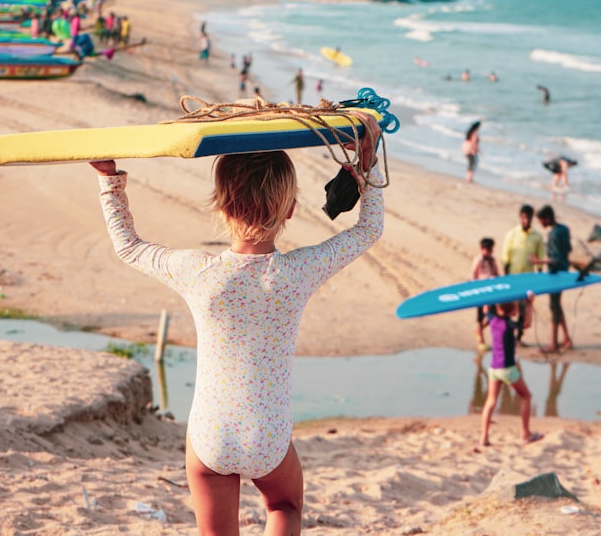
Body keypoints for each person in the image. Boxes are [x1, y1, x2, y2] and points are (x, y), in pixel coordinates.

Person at [89, 111, 384, 535]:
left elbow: (129, 247)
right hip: (268, 434)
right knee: (284, 505)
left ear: (222, 205)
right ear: (291, 210)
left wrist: (108, 178)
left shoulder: (198, 271)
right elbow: (368, 230)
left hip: (211, 431)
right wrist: (366, 167)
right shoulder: (298, 272)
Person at [474, 296, 543, 450]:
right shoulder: (508, 324)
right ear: (512, 310)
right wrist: (530, 304)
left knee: (491, 401)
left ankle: (483, 437)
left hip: (493, 368)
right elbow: (526, 324)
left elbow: (486, 308)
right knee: (526, 397)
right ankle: (525, 434)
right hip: (507, 369)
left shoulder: (492, 319)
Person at [531, 205, 573, 353]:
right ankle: (566, 338)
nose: (540, 223)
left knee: (554, 307)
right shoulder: (564, 229)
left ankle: (553, 344)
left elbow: (555, 259)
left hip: (555, 274)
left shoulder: (554, 234)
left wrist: (538, 262)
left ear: (547, 218)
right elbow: (568, 250)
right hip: (564, 272)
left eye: (541, 220)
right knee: (557, 304)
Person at [501, 204, 544, 347]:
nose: (525, 220)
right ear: (520, 217)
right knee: (510, 308)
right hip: (513, 277)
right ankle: (509, 336)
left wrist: (539, 274)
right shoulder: (512, 234)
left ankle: (518, 337)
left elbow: (540, 257)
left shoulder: (536, 237)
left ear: (532, 218)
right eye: (523, 217)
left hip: (528, 278)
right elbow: (505, 256)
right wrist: (505, 277)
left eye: (528, 217)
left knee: (524, 309)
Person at [471, 237, 500, 349]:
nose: (488, 251)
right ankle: (481, 341)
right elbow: (473, 274)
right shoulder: (478, 260)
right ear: (482, 249)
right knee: (480, 315)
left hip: (491, 290)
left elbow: (496, 272)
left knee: (493, 314)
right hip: (481, 290)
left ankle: (479, 330)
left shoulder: (492, 260)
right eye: (486, 249)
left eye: (490, 249)